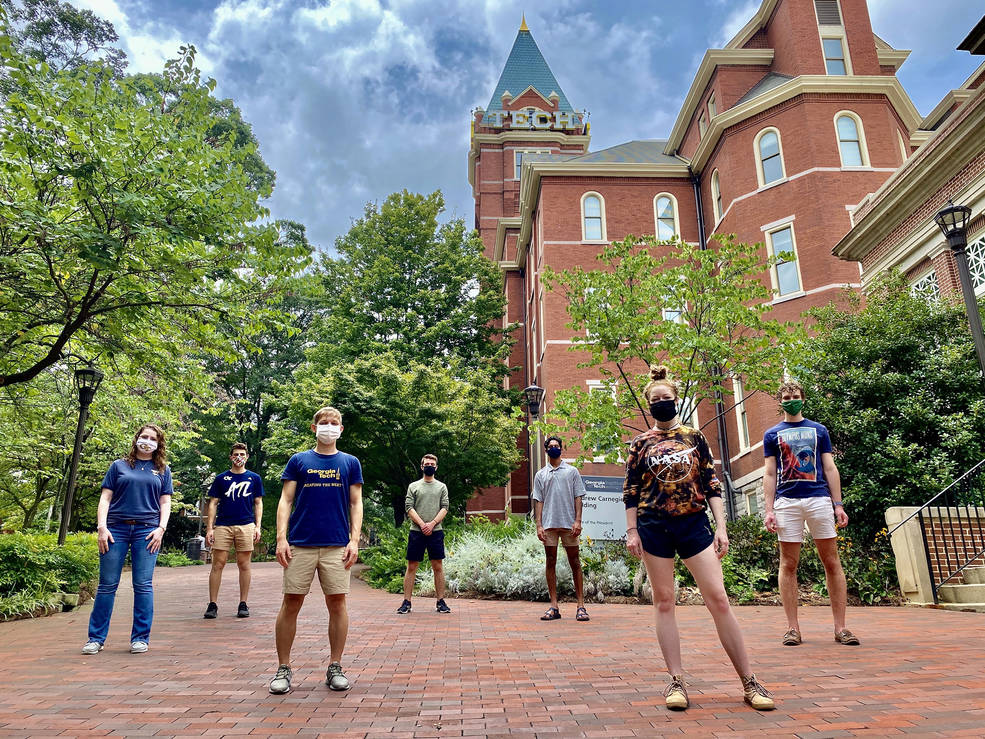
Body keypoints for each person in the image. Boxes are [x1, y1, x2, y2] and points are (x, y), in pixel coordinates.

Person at [624, 365, 774, 711]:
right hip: (653, 527)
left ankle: (749, 682)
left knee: (719, 599)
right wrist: (632, 531)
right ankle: (676, 681)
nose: (662, 403)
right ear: (649, 405)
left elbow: (711, 484)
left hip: (694, 524)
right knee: (664, 601)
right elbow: (630, 491)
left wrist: (721, 526)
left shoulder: (695, 437)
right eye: (656, 400)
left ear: (676, 400)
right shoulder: (640, 444)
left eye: (667, 398)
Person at [268, 407, 363, 695]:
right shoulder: (299, 460)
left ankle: (335, 666)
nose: (329, 427)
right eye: (324, 423)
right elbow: (285, 500)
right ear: (314, 428)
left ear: (341, 430)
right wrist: (281, 538)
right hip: (300, 544)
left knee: (337, 604)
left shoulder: (350, 463)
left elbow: (356, 503)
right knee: (291, 603)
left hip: (336, 545)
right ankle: (283, 669)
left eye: (335, 423)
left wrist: (354, 540)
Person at [763, 379, 858, 647]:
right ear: (780, 402)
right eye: (786, 396)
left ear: (803, 399)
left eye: (795, 395)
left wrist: (837, 504)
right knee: (788, 564)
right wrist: (768, 510)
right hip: (787, 502)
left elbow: (829, 468)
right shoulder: (772, 434)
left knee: (831, 561)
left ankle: (841, 628)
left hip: (819, 499)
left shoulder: (818, 430)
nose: (790, 399)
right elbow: (769, 473)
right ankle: (792, 629)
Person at [82, 424, 173, 655]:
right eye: (144, 436)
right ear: (136, 439)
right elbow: (105, 498)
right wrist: (101, 527)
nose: (147, 441)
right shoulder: (118, 466)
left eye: (153, 438)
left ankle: (140, 638)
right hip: (115, 530)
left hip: (147, 531)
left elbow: (165, 502)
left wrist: (161, 529)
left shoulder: (162, 470)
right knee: (107, 585)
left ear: (158, 444)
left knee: (143, 585)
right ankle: (96, 638)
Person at [203, 442, 264, 619]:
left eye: (242, 454)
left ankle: (243, 603)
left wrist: (257, 526)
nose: (239, 457)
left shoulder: (254, 478)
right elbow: (213, 503)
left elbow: (258, 502)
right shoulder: (221, 478)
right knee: (218, 564)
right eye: (236, 454)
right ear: (231, 457)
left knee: (244, 564)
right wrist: (210, 528)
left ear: (247, 457)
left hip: (246, 525)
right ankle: (212, 604)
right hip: (223, 525)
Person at [533, 436, 589, 622]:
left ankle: (581, 606)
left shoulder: (572, 472)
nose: (554, 448)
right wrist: (539, 524)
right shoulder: (541, 474)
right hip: (549, 526)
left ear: (561, 449)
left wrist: (578, 520)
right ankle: (554, 606)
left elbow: (578, 497)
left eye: (557, 446)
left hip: (569, 525)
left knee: (575, 562)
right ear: (546, 449)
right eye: (551, 446)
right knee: (550, 562)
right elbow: (538, 500)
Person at [396, 454, 451, 614]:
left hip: (436, 532)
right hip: (416, 532)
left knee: (438, 566)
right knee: (412, 566)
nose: (429, 466)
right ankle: (406, 602)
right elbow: (408, 507)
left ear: (436, 467)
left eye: (432, 464)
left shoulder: (442, 487)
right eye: (427, 463)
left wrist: (432, 524)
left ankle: (441, 601)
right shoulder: (413, 486)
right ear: (422, 467)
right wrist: (422, 524)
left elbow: (445, 507)